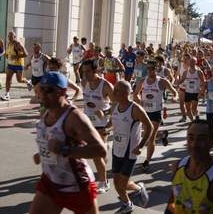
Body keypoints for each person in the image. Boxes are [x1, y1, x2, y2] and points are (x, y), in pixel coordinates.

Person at [29, 72, 107, 214]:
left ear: (63, 92)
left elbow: (101, 150)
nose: (43, 94)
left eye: (49, 90)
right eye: (41, 88)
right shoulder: (44, 113)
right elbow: (50, 143)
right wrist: (42, 154)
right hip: (50, 183)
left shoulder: (74, 117)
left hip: (76, 186)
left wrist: (65, 150)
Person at [106, 81, 153, 213]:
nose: (114, 93)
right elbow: (111, 123)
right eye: (114, 90)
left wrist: (141, 146)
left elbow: (149, 127)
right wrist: (106, 129)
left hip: (130, 152)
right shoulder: (114, 106)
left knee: (122, 184)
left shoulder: (135, 109)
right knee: (116, 183)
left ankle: (138, 189)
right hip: (117, 149)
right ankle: (128, 204)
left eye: (117, 91)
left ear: (127, 93)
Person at [133, 60, 178, 172]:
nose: (149, 70)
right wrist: (138, 100)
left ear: (157, 69)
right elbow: (135, 94)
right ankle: (163, 135)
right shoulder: (142, 81)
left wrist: (175, 98)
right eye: (147, 68)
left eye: (152, 68)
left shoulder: (162, 81)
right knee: (149, 133)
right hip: (144, 111)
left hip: (156, 111)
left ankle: (146, 162)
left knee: (151, 136)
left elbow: (174, 92)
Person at [81, 59, 116, 194]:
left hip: (102, 124)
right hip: (87, 123)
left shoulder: (106, 85)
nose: (86, 75)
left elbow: (118, 105)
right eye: (84, 72)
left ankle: (104, 182)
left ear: (96, 71)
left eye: (88, 71)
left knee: (96, 155)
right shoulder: (84, 83)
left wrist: (106, 113)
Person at [1, 31, 32, 101]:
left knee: (19, 80)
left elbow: (26, 54)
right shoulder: (9, 44)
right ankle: (7, 94)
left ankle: (28, 82)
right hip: (10, 64)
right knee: (8, 78)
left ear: (14, 36)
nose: (9, 38)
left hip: (18, 65)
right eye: (8, 36)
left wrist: (16, 56)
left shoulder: (18, 44)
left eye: (11, 36)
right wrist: (7, 55)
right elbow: (10, 52)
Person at [178, 56, 205, 121]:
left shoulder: (199, 72)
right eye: (190, 61)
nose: (191, 63)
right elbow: (182, 80)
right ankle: (192, 121)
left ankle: (197, 114)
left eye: (193, 61)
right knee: (188, 109)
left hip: (195, 92)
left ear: (195, 62)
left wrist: (201, 93)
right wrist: (178, 82)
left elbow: (203, 82)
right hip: (187, 92)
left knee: (193, 109)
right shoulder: (186, 72)